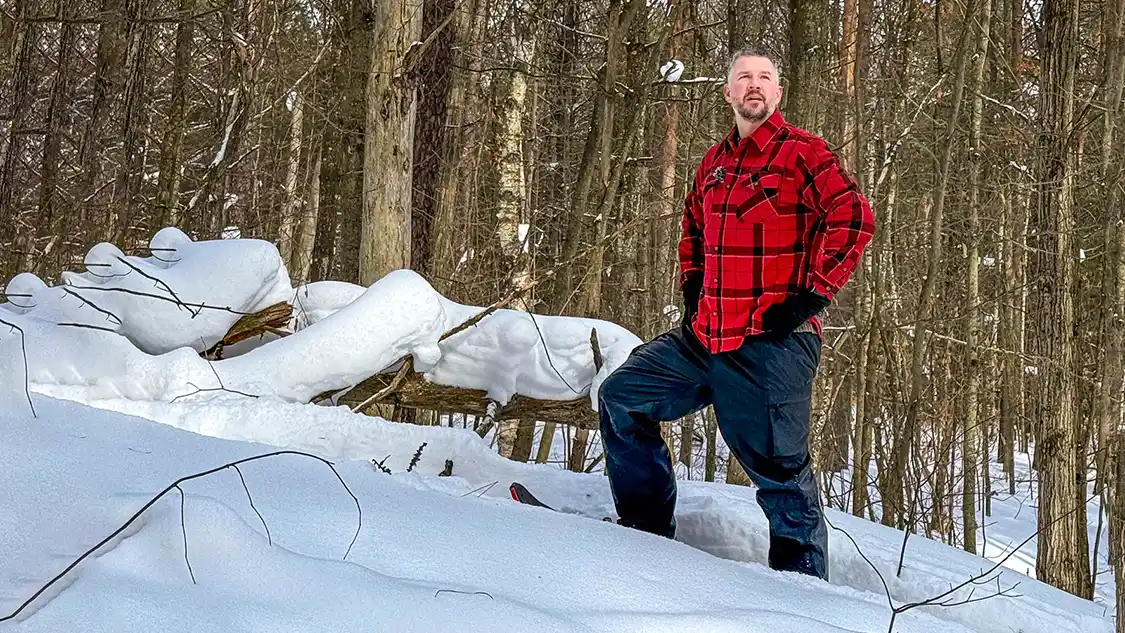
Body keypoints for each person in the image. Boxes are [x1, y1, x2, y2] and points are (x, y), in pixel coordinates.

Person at [596, 46, 875, 580]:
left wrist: (811, 296)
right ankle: (645, 529)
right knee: (622, 398)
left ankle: (801, 589)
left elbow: (854, 218)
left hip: (773, 340)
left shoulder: (804, 154)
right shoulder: (715, 163)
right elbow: (692, 228)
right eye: (743, 77)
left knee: (779, 470)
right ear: (727, 93)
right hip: (705, 334)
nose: (754, 85)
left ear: (777, 92)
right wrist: (692, 286)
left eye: (764, 78)